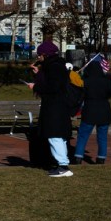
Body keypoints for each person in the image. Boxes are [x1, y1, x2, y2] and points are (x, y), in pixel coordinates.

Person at [29, 41, 74, 177]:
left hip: (55, 106)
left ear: (44, 54)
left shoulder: (53, 67)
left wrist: (36, 86)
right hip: (58, 106)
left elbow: (53, 87)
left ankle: (63, 166)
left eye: (39, 54)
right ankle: (61, 164)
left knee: (55, 135)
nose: (38, 57)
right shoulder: (57, 65)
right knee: (58, 135)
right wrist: (38, 75)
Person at [73, 56, 111, 165]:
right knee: (102, 136)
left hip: (89, 110)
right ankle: (101, 157)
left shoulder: (86, 82)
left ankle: (78, 156)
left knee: (83, 135)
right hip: (104, 110)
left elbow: (79, 95)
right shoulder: (106, 82)